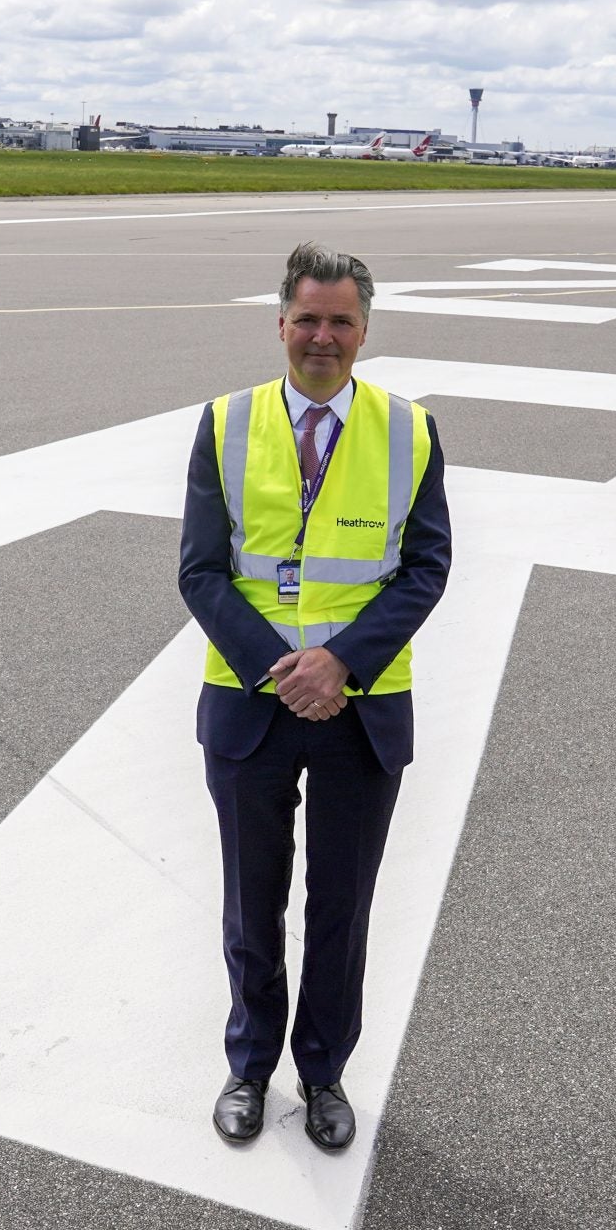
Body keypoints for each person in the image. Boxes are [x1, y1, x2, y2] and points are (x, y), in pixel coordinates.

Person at [177, 241, 453, 1153]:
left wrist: (339, 663)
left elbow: (426, 568)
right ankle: (250, 1065)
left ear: (365, 331)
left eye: (341, 321)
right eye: (307, 319)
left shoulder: (410, 431)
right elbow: (201, 571)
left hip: (360, 711)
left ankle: (324, 1070)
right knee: (251, 903)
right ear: (280, 324)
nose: (322, 337)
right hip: (250, 704)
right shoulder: (225, 423)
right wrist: (281, 667)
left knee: (342, 906)